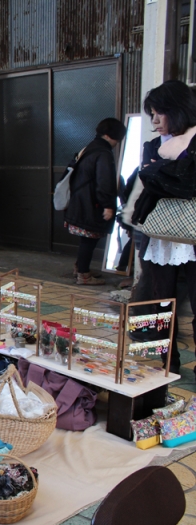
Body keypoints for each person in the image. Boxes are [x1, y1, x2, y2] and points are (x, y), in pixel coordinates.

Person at [129, 80, 196, 374]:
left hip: (192, 234)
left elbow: (184, 183)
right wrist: (170, 175)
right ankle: (168, 362)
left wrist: (162, 173)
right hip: (159, 234)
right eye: (151, 113)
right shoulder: (152, 146)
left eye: (160, 113)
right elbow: (150, 177)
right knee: (160, 302)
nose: (154, 121)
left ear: (179, 111)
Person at [63, 118, 126, 285]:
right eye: (117, 139)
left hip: (80, 202)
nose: (116, 143)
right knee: (89, 239)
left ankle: (80, 267)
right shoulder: (103, 153)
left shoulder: (89, 148)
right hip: (91, 204)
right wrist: (107, 205)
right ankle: (83, 275)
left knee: (88, 239)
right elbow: (104, 181)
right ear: (109, 136)